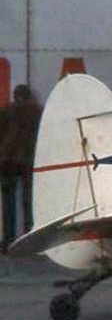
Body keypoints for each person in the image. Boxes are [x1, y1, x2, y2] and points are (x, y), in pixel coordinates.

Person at [0, 85, 43, 250]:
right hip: (28, 161)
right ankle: (29, 236)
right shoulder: (37, 112)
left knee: (8, 202)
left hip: (7, 161)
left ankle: (8, 239)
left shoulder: (6, 110)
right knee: (29, 202)